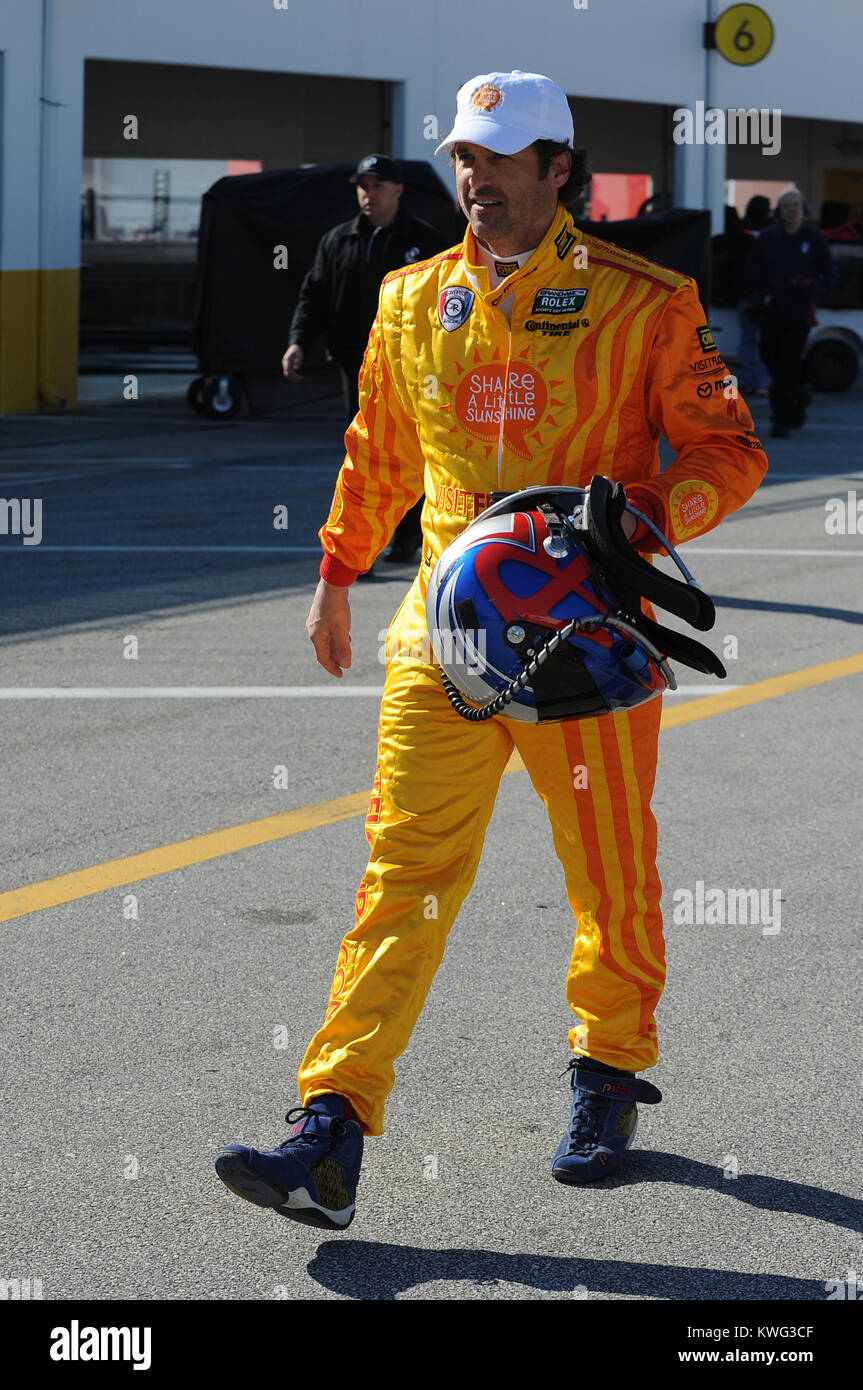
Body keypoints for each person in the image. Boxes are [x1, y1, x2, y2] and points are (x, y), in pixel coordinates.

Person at [217, 70, 767, 1230]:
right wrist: (332, 573)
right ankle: (329, 1125)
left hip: (586, 634)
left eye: (502, 159)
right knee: (400, 875)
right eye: (464, 157)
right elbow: (377, 447)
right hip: (441, 624)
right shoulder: (413, 298)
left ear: (558, 169)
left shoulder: (644, 301)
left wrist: (641, 524)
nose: (477, 179)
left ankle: (606, 1073)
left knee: (606, 871)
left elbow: (727, 449)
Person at [282, 154, 446, 564]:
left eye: (376, 186)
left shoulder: (424, 240)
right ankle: (363, 544)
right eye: (362, 186)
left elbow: (446, 302)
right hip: (354, 368)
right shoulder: (339, 240)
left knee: (410, 452)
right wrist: (298, 341)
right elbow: (314, 295)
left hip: (411, 367)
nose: (368, 194)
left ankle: (409, 534)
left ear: (397, 190)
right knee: (365, 454)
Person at [747, 188, 834, 437]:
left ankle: (782, 419)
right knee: (768, 355)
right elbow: (753, 269)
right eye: (786, 206)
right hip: (771, 308)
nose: (791, 210)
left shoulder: (815, 240)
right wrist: (756, 295)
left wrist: (813, 288)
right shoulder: (767, 238)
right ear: (779, 210)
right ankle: (799, 393)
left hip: (799, 312)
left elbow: (830, 274)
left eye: (795, 205)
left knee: (788, 365)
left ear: (803, 210)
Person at [733, 195, 772, 396]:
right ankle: (762, 381)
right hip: (766, 294)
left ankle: (749, 380)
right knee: (764, 340)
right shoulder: (772, 232)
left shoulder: (740, 230)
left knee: (747, 339)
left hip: (745, 293)